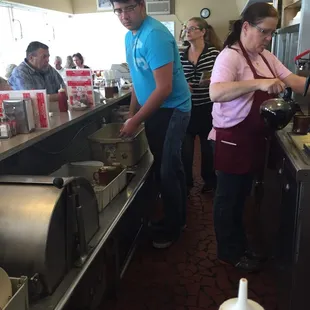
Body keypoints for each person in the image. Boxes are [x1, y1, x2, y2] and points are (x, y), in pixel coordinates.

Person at [209, 2, 309, 272]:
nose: (268, 39)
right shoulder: (229, 57)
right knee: (228, 199)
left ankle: (240, 244)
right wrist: (258, 83)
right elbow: (216, 92)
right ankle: (228, 252)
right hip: (231, 137)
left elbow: (295, 81)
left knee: (242, 197)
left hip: (253, 138)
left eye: (271, 33)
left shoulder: (265, 57)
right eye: (264, 32)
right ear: (246, 27)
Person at [110, 0, 191, 248]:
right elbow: (138, 78)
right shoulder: (129, 37)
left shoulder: (154, 35)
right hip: (155, 110)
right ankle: (178, 216)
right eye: (118, 10)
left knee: (167, 169)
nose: (124, 15)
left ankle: (173, 227)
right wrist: (133, 111)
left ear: (142, 5)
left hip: (173, 109)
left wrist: (136, 120)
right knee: (168, 165)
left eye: (129, 8)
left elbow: (164, 88)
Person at [180, 17, 221, 194]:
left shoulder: (215, 54)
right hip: (187, 108)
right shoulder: (181, 54)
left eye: (192, 28)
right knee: (186, 150)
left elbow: (225, 76)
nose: (187, 32)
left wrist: (213, 80)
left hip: (207, 108)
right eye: (186, 29)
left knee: (208, 149)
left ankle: (210, 182)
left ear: (203, 32)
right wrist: (182, 84)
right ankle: (186, 183)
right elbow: (175, 77)